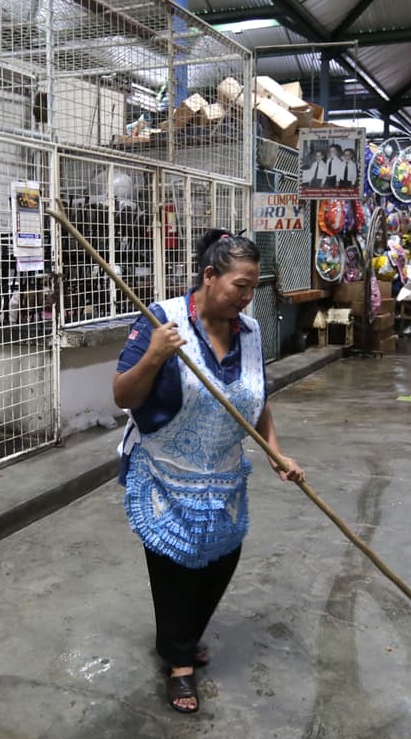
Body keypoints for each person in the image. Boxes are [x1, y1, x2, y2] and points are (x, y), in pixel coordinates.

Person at [114, 229, 305, 714]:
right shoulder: (162, 320)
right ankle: (179, 665)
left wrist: (274, 451)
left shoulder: (251, 330)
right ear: (209, 276)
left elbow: (255, 398)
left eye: (252, 288)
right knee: (174, 571)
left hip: (224, 474)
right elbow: (123, 396)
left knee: (220, 561)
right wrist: (155, 354)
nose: (246, 297)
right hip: (167, 472)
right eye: (240, 285)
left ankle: (180, 638)